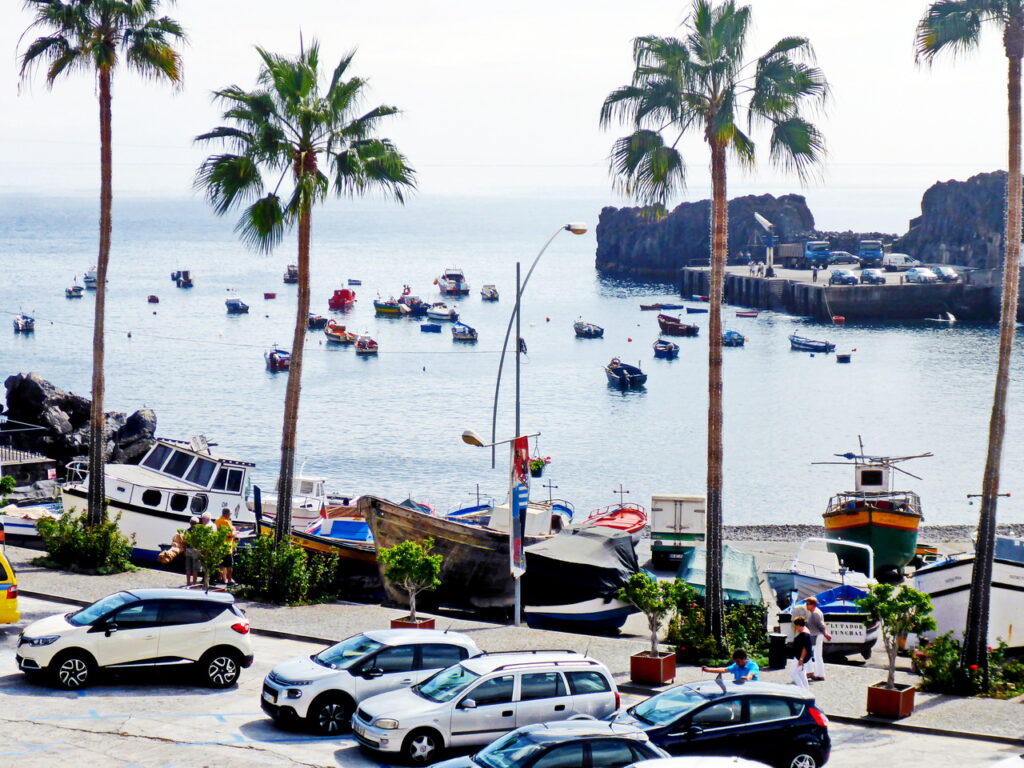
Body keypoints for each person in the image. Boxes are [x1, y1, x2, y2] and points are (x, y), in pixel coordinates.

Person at [804, 597, 831, 681]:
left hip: (814, 636)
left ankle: (810, 672)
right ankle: (820, 674)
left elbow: (821, 625)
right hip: (817, 635)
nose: (806, 605)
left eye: (808, 604)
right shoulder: (816, 612)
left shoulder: (815, 613)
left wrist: (826, 633)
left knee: (808, 653)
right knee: (818, 655)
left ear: (813, 605)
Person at [788, 616, 813, 690]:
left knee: (793, 673)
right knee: (802, 673)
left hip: (800, 657)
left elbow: (805, 648)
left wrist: (801, 659)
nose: (795, 628)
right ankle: (806, 689)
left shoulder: (804, 635)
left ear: (799, 625)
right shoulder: (806, 631)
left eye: (796, 626)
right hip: (804, 657)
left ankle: (802, 689)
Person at [215, 508, 238, 585]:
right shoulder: (226, 522)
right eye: (230, 514)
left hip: (220, 546)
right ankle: (230, 580)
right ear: (228, 514)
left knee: (221, 564)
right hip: (227, 547)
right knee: (229, 565)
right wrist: (235, 532)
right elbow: (230, 534)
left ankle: (220, 578)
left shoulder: (217, 520)